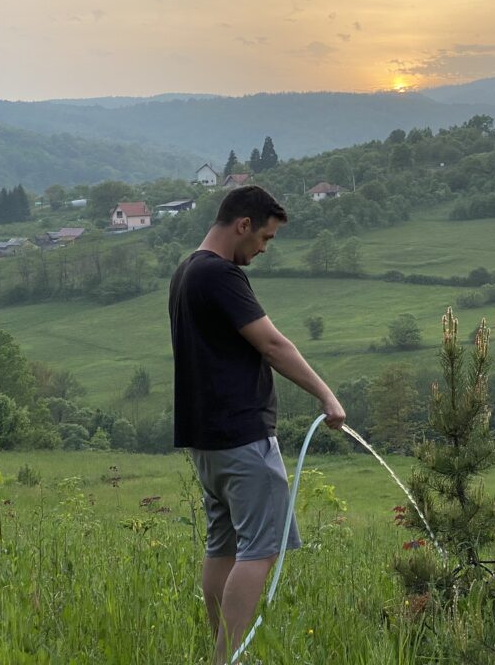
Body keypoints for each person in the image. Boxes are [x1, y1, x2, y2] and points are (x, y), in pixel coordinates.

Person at [168, 184, 346, 665]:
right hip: (242, 435)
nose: (264, 248)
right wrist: (327, 396)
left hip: (206, 442)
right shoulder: (221, 275)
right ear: (242, 225)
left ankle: (222, 652)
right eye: (264, 237)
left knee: (222, 546)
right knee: (262, 551)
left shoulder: (186, 270)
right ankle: (228, 659)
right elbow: (273, 344)